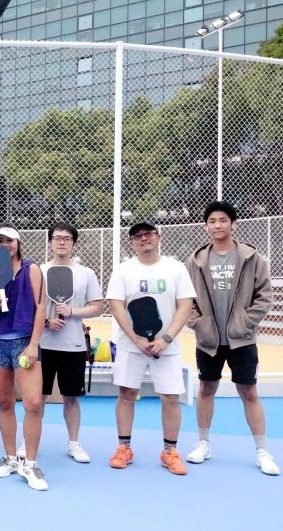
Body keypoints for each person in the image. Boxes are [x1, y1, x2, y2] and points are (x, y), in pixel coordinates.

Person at [184, 201, 279, 475]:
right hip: (209, 340)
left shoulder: (251, 257)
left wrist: (245, 323)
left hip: (242, 340)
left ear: (233, 224)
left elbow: (264, 297)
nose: (217, 225)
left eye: (223, 220)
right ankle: (203, 443)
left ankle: (262, 450)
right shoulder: (196, 261)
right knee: (206, 389)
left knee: (249, 392)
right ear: (206, 226)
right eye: (212, 221)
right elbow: (187, 300)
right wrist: (199, 324)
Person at [106, 221, 195, 476]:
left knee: (170, 398)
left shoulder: (176, 268)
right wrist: (136, 339)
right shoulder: (123, 270)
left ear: (158, 237)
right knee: (126, 394)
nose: (143, 239)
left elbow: (185, 306)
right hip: (131, 345)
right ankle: (124, 448)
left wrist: (165, 339)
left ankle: (170, 452)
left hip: (166, 346)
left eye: (148, 234)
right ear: (131, 242)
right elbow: (116, 306)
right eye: (138, 236)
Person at [0, 224, 48, 491]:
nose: (5, 244)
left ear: (18, 243)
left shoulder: (32, 269)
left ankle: (31, 464)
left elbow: (41, 307)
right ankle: (11, 459)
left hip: (24, 344)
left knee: (33, 404)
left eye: (10, 240)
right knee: (5, 403)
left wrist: (33, 344)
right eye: (0, 241)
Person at [37, 222, 103, 463]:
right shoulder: (38, 271)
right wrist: (46, 321)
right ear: (50, 242)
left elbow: (97, 307)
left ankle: (74, 443)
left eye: (66, 238)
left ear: (74, 243)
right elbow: (28, 306)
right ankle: (29, 442)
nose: (61, 242)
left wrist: (72, 311)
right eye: (57, 238)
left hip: (73, 346)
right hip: (42, 346)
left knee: (71, 398)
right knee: (38, 398)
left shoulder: (86, 274)